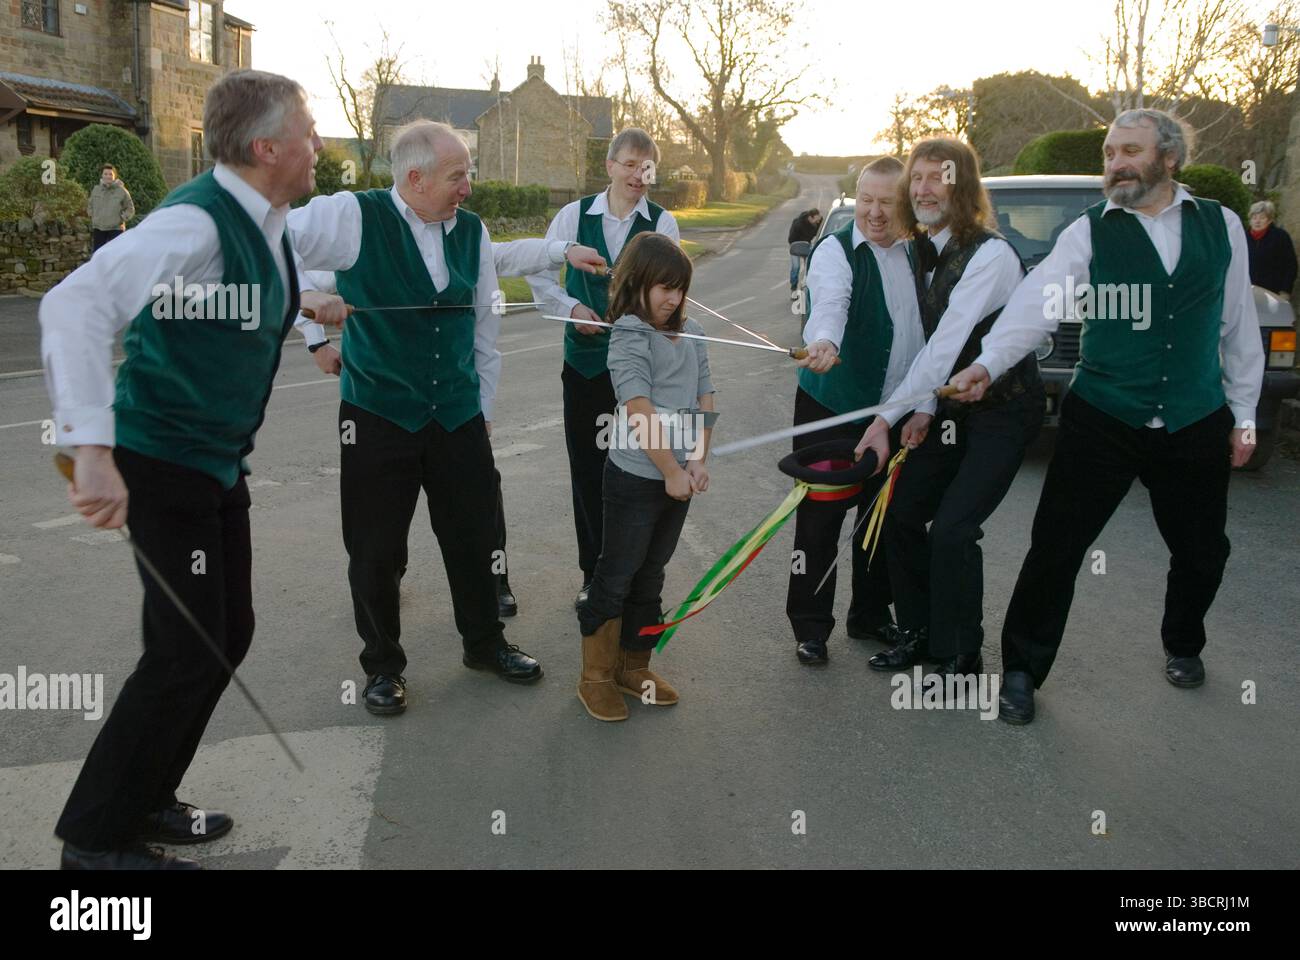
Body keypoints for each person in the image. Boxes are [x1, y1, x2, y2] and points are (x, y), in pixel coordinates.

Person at [40, 69, 324, 869]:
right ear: (267, 147)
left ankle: (147, 797)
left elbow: (224, 298)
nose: (317, 145)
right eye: (307, 131)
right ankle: (95, 843)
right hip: (160, 460)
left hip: (212, 463)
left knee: (224, 634)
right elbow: (74, 305)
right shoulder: (195, 223)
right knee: (185, 649)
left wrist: (307, 306)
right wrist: (89, 450)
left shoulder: (266, 216)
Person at [947, 109, 1265, 724]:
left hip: (1195, 416)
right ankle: (1020, 670)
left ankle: (1183, 643)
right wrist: (987, 364)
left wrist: (1244, 412)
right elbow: (1036, 306)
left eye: (1129, 151)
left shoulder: (1220, 226)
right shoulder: (1089, 231)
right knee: (1057, 548)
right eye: (1110, 153)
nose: (1115, 163)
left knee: (1204, 551)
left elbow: (1238, 328)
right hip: (1104, 415)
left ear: (1169, 159)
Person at [288, 120, 545, 717]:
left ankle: (484, 644)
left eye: (468, 174)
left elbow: (484, 327)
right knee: (376, 549)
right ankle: (383, 666)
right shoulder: (353, 216)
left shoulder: (473, 232)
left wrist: (481, 410)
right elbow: (263, 240)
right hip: (377, 413)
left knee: (477, 537)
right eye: (459, 175)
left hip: (456, 412)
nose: (469, 187)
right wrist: (302, 302)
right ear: (414, 178)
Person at [299, 236, 608, 621]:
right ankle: (383, 587)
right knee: (385, 509)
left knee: (480, 498)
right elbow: (297, 273)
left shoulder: (459, 240)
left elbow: (506, 255)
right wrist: (317, 344)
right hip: (387, 406)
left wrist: (564, 251)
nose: (462, 193)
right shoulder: (366, 244)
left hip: (456, 403)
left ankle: (493, 586)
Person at [855, 137, 1044, 690]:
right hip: (949, 408)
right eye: (916, 179)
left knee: (954, 530)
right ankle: (917, 632)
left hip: (1004, 411)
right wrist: (922, 410)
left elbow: (946, 345)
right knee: (904, 512)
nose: (923, 188)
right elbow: (930, 348)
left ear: (962, 186)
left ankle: (962, 655)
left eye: (938, 177)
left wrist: (885, 418)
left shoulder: (991, 255)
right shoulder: (922, 248)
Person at [528, 128, 680, 611]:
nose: (640, 175)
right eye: (631, 164)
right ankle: (593, 575)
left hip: (642, 372)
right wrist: (571, 307)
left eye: (648, 167)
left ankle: (637, 580)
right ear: (610, 166)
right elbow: (538, 271)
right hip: (587, 367)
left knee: (644, 472)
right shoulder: (573, 216)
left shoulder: (662, 223)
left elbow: (673, 295)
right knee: (590, 472)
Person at [787, 157, 923, 664]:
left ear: (904, 203)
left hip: (898, 411)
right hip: (833, 405)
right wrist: (823, 340)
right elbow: (831, 303)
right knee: (819, 522)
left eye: (887, 202)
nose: (874, 212)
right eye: (866, 199)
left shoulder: (918, 252)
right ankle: (810, 626)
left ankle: (869, 616)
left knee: (879, 518)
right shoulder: (835, 250)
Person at [576, 232, 715, 722]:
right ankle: (595, 676)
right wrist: (671, 470)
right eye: (662, 287)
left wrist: (697, 459)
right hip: (637, 479)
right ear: (637, 284)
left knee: (651, 577)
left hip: (676, 481)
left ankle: (634, 667)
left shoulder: (694, 330)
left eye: (679, 287)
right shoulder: (630, 333)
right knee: (616, 577)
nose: (673, 298)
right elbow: (637, 408)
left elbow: (705, 397)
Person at [1246, 200, 1296, 299]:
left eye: (1262, 218)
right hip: (1246, 290)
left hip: (1272, 292)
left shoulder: (1280, 237)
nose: (1257, 221)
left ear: (1269, 220)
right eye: (1254, 217)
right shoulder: (1243, 237)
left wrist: (1285, 291)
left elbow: (1291, 265)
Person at [88, 164, 135, 254]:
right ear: (102, 175)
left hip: (116, 229)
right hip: (99, 228)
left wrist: (123, 217)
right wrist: (92, 215)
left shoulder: (122, 191)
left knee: (116, 256)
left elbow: (130, 208)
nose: (108, 176)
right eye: (105, 174)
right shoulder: (96, 189)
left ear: (114, 176)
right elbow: (90, 204)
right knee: (98, 255)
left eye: (110, 174)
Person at [787, 207, 823, 291]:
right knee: (796, 267)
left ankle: (808, 284)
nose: (818, 222)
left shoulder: (819, 221)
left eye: (819, 220)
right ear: (810, 218)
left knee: (810, 265)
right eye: (816, 220)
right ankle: (794, 287)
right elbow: (791, 239)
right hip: (795, 245)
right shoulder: (798, 224)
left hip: (807, 245)